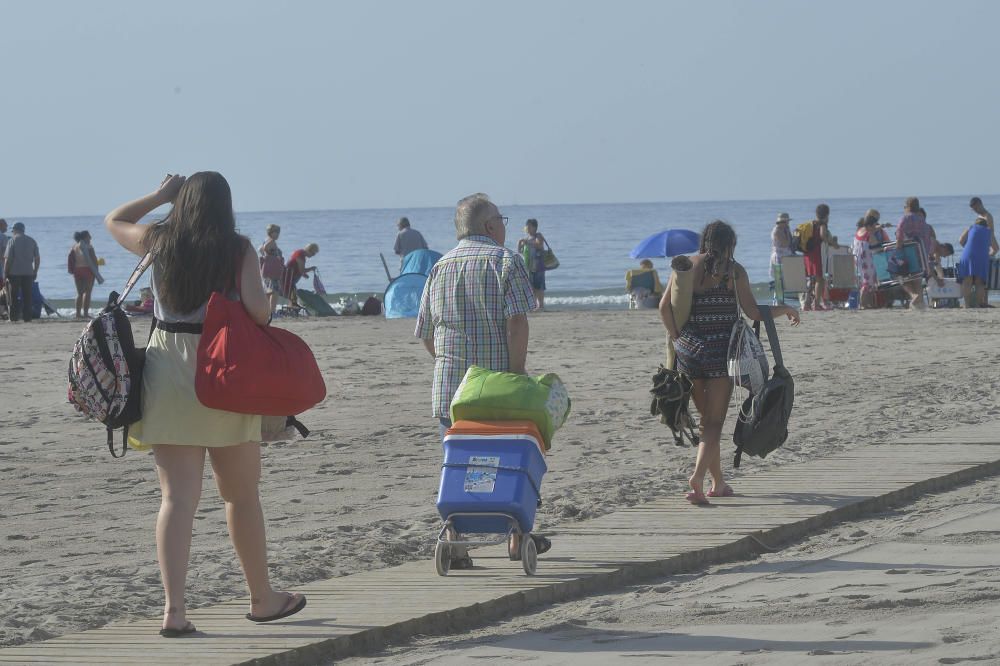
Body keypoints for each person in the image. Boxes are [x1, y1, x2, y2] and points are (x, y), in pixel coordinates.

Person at [104, 172, 305, 637]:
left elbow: (113, 219)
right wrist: (267, 303)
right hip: (223, 373)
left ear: (184, 203)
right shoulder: (237, 249)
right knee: (240, 496)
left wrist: (159, 196)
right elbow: (258, 311)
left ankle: (174, 611)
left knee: (176, 499)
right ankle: (262, 598)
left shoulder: (159, 240)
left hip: (166, 371)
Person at [416, 193, 546, 568]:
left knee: (457, 462)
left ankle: (455, 540)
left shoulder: (439, 266)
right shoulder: (504, 261)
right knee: (509, 458)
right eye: (501, 218)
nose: (505, 224)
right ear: (490, 226)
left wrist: (450, 363)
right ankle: (516, 534)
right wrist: (517, 372)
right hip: (495, 385)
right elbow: (517, 321)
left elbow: (427, 333)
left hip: (450, 387)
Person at [659, 220, 799, 506]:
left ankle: (718, 483)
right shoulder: (733, 272)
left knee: (705, 423)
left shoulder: (687, 266)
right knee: (714, 422)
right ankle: (697, 478)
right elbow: (753, 312)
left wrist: (677, 338)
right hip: (721, 355)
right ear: (730, 244)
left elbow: (664, 307)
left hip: (689, 352)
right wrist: (784, 309)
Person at [895, 197, 935, 309]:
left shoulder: (905, 219)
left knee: (899, 276)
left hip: (909, 255)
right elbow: (927, 239)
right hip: (922, 256)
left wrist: (897, 251)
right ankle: (919, 305)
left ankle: (915, 296)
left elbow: (899, 235)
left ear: (908, 207)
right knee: (917, 280)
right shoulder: (922, 220)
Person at [797, 204, 839, 311]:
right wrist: (832, 243)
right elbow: (822, 235)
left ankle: (806, 304)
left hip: (808, 254)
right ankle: (816, 304)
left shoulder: (811, 224)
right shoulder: (822, 224)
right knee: (820, 279)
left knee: (811, 279)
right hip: (817, 254)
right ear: (827, 214)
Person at [3, 222, 40, 323]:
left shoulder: (12, 241)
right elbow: (37, 258)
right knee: (27, 296)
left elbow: (8, 259)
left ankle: (13, 318)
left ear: (15, 230)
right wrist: (35, 271)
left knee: (13, 297)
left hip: (14, 273)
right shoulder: (32, 241)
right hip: (28, 272)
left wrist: (5, 273)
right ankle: (27, 318)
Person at [957, 217, 999, 308]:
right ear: (986, 225)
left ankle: (967, 305)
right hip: (982, 257)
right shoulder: (989, 232)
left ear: (976, 223)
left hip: (967, 255)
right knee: (979, 283)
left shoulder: (971, 228)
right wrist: (988, 255)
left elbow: (960, 240)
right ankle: (977, 304)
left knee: (967, 281)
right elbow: (996, 248)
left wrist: (968, 247)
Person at [69, 230, 105, 319]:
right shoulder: (89, 247)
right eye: (89, 236)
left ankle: (78, 314)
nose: (90, 238)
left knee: (79, 293)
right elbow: (93, 260)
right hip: (87, 271)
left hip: (77, 271)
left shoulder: (75, 247)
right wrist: (97, 273)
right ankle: (85, 313)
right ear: (85, 237)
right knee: (88, 292)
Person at [852, 211, 882, 309]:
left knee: (867, 281)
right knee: (868, 282)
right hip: (866, 260)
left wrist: (882, 226)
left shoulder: (861, 230)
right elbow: (877, 248)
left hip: (858, 259)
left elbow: (873, 229)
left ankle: (868, 303)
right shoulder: (870, 235)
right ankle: (863, 303)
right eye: (874, 226)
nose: (875, 228)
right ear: (869, 226)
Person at [517, 218, 548, 310]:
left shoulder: (538, 236)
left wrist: (527, 242)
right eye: (527, 226)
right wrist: (519, 243)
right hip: (529, 265)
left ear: (534, 227)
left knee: (539, 285)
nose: (527, 228)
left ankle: (541, 305)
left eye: (529, 226)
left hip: (538, 265)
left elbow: (539, 244)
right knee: (531, 286)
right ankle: (533, 305)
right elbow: (520, 251)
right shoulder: (526, 238)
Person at [281, 243, 319, 310]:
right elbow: (301, 270)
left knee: (293, 294)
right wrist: (311, 268)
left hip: (290, 276)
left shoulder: (300, 253)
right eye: (313, 254)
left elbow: (299, 269)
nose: (313, 256)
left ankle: (292, 308)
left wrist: (304, 274)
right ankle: (292, 308)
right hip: (288, 277)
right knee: (292, 294)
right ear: (309, 250)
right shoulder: (300, 255)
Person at [258, 224, 284, 314]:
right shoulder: (271, 241)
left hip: (266, 269)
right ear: (271, 232)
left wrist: (267, 254)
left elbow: (260, 249)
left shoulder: (265, 240)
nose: (278, 235)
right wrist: (273, 255)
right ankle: (272, 311)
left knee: (268, 291)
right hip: (273, 270)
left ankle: (266, 311)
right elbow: (264, 248)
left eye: (278, 233)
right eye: (276, 232)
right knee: (274, 291)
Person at [769, 212, 796, 292]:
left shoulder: (784, 229)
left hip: (786, 255)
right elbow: (785, 243)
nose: (788, 223)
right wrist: (789, 234)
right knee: (779, 278)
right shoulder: (777, 231)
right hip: (779, 256)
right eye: (787, 221)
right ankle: (779, 296)